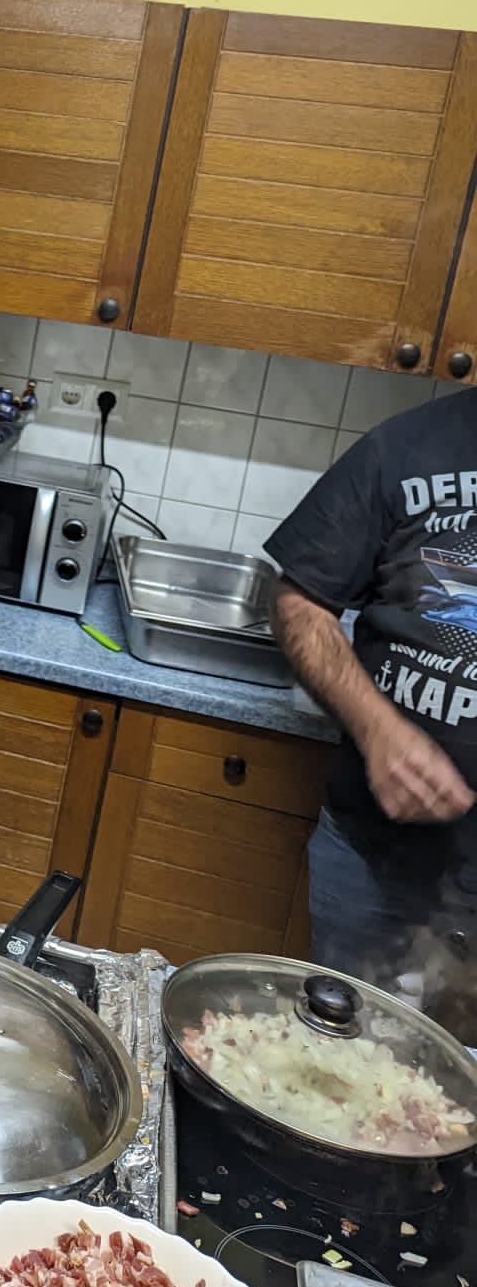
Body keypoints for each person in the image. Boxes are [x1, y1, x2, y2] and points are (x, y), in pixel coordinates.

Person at [266, 391, 477, 984]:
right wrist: (378, 728)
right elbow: (300, 600)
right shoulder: (407, 446)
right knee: (344, 1034)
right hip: (374, 856)